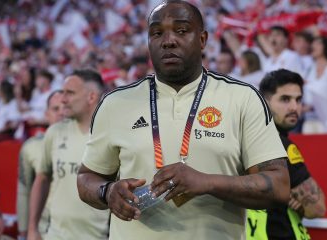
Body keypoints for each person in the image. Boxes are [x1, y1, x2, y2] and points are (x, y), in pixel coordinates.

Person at [77, 1, 289, 240]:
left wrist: (206, 182)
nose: (168, 41)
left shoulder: (242, 98)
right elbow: (86, 177)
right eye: (157, 33)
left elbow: (279, 185)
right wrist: (107, 192)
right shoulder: (115, 103)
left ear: (202, 40)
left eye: (181, 30)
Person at [27, 69, 109, 240]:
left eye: (69, 93)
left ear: (91, 97)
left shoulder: (111, 135)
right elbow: (42, 179)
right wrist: (32, 228)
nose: (63, 99)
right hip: (55, 235)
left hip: (99, 236)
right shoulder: (55, 132)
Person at [246, 69, 326, 240]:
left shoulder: (245, 138)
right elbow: (317, 207)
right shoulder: (281, 145)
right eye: (285, 99)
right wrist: (292, 198)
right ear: (264, 102)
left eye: (298, 100)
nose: (294, 107)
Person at [16, 90, 64, 239]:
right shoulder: (31, 147)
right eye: (55, 109)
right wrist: (24, 230)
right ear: (46, 113)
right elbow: (24, 190)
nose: (61, 113)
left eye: (65, 108)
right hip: (43, 230)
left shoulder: (88, 143)